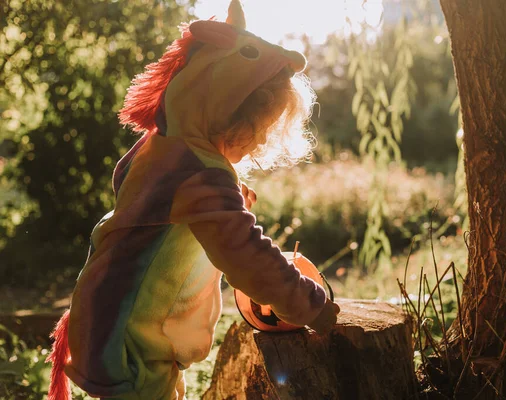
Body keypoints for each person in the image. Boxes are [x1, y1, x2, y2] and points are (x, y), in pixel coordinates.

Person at [47, 1, 339, 399]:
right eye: (261, 129)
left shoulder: (164, 147)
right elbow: (243, 253)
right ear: (225, 111)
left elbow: (170, 212)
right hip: (133, 338)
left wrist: (229, 196)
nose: (261, 142)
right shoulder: (201, 173)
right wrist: (309, 304)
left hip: (115, 316)